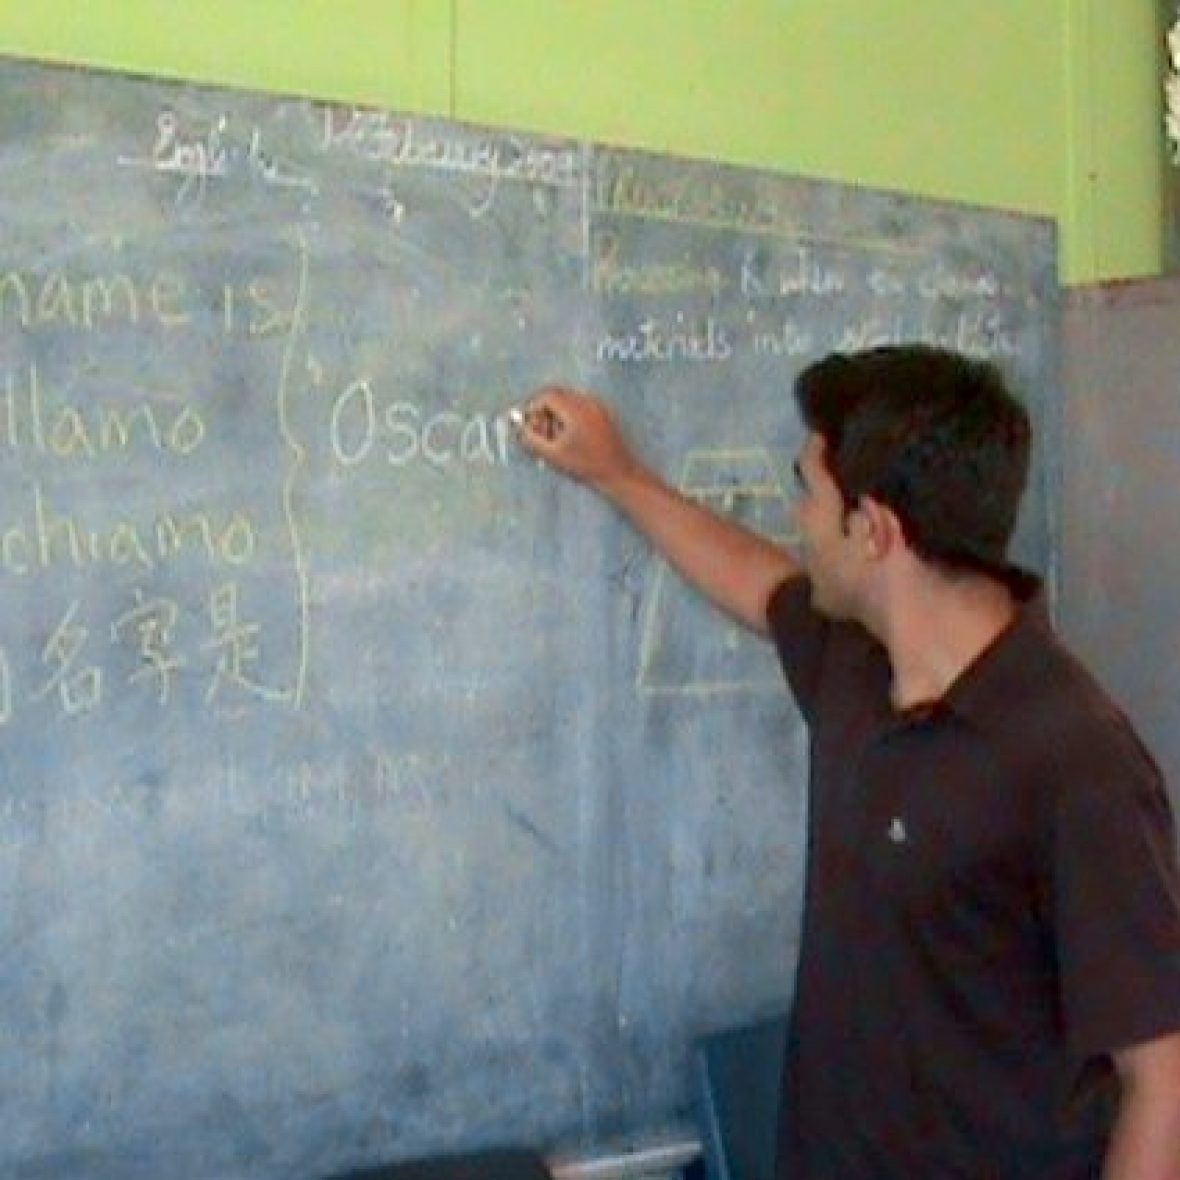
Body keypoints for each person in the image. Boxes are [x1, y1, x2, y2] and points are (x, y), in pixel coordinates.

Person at [515, 345, 1180, 1179]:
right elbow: (757, 584)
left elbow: (1161, 1081)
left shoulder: (1078, 763)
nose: (795, 519)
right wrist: (617, 474)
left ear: (875, 531)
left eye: (808, 491)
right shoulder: (859, 669)